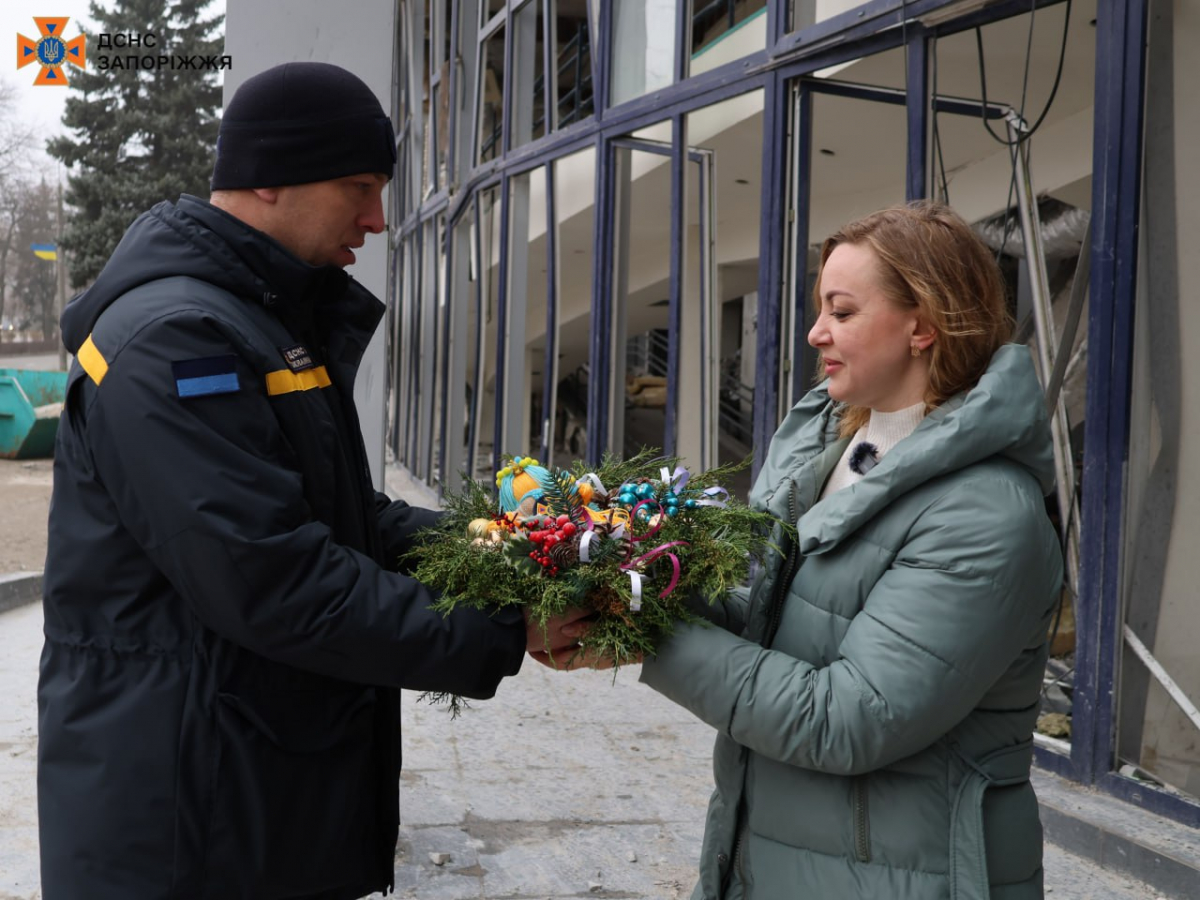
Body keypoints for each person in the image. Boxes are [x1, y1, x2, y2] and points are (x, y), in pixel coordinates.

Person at [38, 62, 582, 900]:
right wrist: (509, 624)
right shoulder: (178, 341)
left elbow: (340, 517)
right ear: (267, 179)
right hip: (186, 816)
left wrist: (514, 551)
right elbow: (276, 579)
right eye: (357, 187)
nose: (376, 218)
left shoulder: (254, 318)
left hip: (245, 783)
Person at [543, 202, 1065, 899]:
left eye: (842, 312)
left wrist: (649, 638)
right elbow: (776, 626)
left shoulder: (985, 515)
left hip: (908, 876)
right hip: (784, 851)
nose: (817, 332)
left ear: (923, 324)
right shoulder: (831, 453)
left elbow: (847, 717)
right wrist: (631, 581)